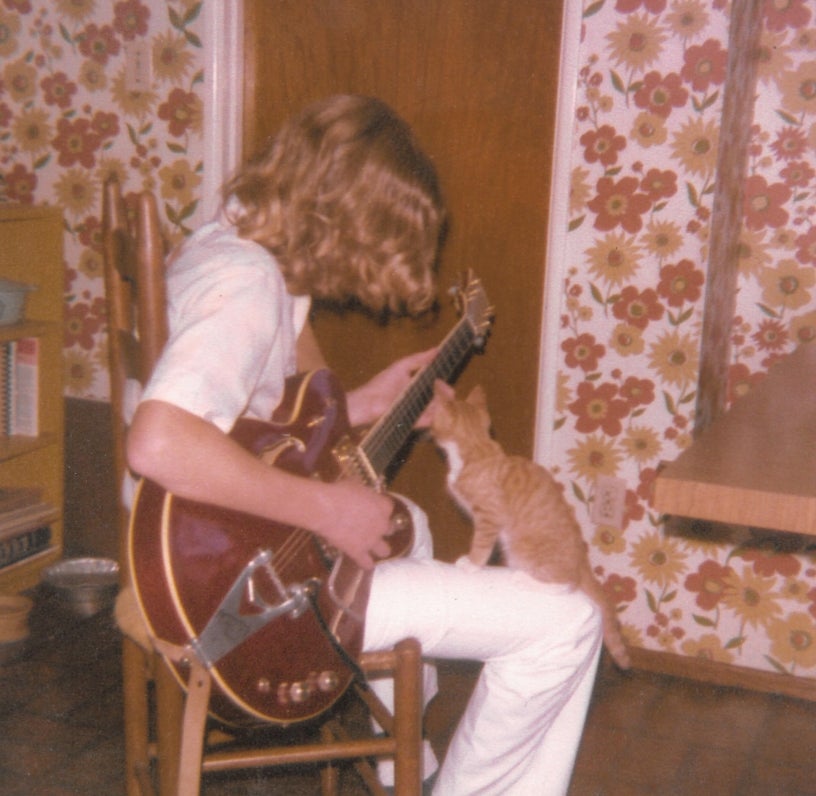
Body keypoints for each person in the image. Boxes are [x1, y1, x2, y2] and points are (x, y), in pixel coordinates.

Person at [127, 94, 602, 795]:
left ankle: (401, 762)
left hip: (199, 550)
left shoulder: (221, 248)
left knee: (400, 528)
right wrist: (326, 510)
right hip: (238, 598)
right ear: (341, 224)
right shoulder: (247, 283)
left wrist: (363, 403)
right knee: (569, 621)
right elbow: (160, 439)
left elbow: (236, 414)